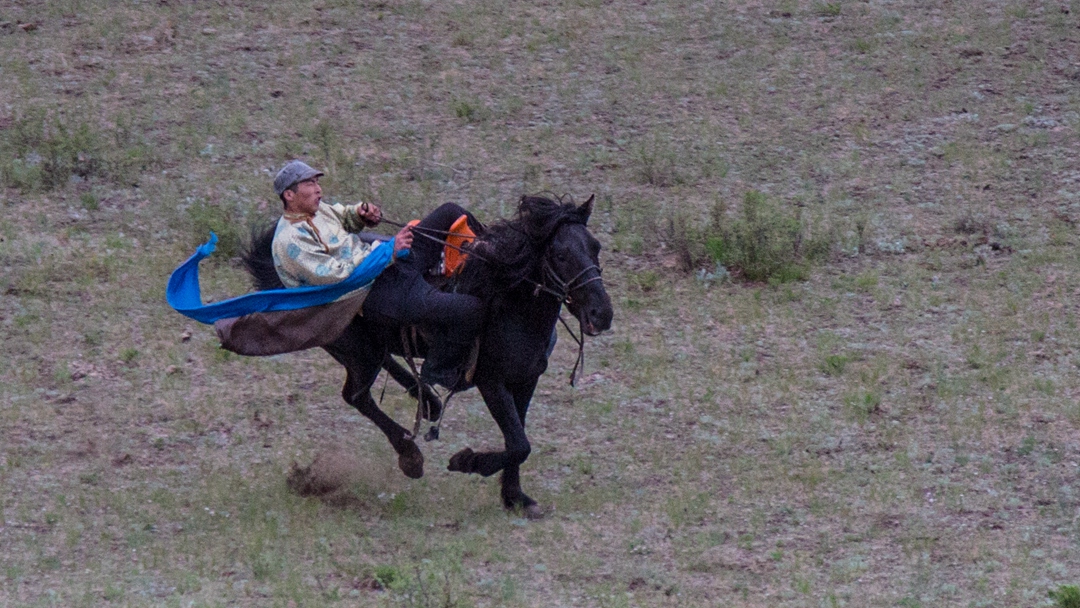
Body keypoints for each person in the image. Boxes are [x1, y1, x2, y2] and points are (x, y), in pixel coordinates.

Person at [271, 159, 483, 390]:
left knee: (451, 212)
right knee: (470, 309)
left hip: (392, 262)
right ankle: (440, 369)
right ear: (289, 195)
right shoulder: (289, 241)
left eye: (316, 182)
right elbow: (339, 278)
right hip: (375, 293)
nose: (318, 188)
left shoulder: (316, 209)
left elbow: (342, 215)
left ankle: (495, 252)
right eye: (309, 183)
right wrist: (387, 252)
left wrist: (361, 214)